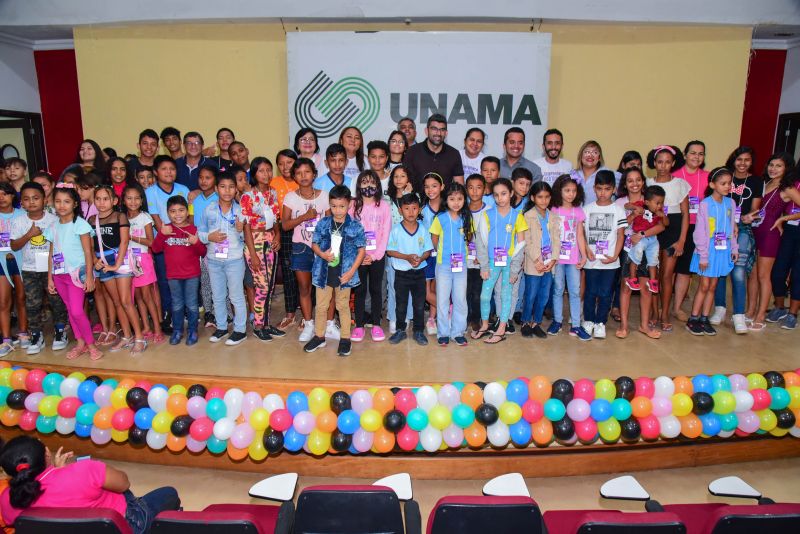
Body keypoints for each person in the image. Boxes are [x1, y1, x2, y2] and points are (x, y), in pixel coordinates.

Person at [0, 435, 180, 534]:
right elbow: (124, 483)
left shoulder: (6, 499)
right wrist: (67, 471)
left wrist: (58, 472)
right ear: (47, 453)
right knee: (169, 493)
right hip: (128, 525)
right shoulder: (83, 470)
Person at [304, 185, 366, 356]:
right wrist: (322, 255)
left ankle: (345, 339)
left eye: (342, 206)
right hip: (323, 273)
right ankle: (319, 336)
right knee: (321, 306)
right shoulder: (323, 223)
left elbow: (362, 250)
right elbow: (314, 243)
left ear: (349, 205)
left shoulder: (355, 226)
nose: (338, 210)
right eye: (333, 206)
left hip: (344, 274)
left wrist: (351, 271)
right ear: (329, 204)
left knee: (343, 306)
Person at [11, 183, 69, 354]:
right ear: (21, 202)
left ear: (44, 200)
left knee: (56, 301)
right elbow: (14, 245)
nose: (32, 202)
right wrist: (29, 234)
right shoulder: (19, 221)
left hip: (52, 269)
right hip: (29, 269)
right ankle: (36, 335)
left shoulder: (53, 219)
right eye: (27, 199)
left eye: (36, 198)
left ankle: (60, 332)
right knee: (32, 304)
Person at [45, 184, 101, 360]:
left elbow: (87, 252)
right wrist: (50, 279)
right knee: (70, 310)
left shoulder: (80, 224)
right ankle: (80, 342)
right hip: (59, 275)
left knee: (77, 311)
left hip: (77, 274)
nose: (62, 205)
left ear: (75, 204)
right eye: (58, 201)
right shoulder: (53, 226)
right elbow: (51, 253)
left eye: (67, 201)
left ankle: (91, 344)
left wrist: (90, 276)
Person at [89, 186, 147, 355]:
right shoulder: (92, 220)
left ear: (114, 201)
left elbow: (123, 242)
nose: (101, 203)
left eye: (105, 199)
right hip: (102, 263)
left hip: (119, 261)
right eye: (98, 199)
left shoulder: (119, 216)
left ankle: (139, 337)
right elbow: (90, 245)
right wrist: (94, 261)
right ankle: (126, 336)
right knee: (116, 302)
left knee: (126, 301)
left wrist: (117, 264)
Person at [473, 178, 527, 344]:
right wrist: (484, 266)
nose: (500, 198)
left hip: (510, 263)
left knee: (506, 295)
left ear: (511, 193)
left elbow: (521, 244)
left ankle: (501, 328)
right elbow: (481, 241)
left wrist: (514, 270)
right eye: (496, 195)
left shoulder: (518, 217)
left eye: (503, 194)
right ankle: (484, 325)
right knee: (485, 295)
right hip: (491, 262)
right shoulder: (487, 215)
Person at [713, 146, 762, 332]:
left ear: (751, 162)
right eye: (739, 159)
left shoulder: (756, 181)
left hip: (742, 229)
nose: (742, 163)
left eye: (747, 160)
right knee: (719, 270)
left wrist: (744, 219)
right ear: (733, 160)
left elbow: (754, 209)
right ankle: (719, 309)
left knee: (739, 272)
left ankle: (739, 315)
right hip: (720, 230)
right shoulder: (724, 176)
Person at [282, 158, 331, 342]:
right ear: (294, 176)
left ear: (314, 174)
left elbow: (329, 223)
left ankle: (327, 323)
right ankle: (309, 324)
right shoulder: (290, 198)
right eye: (299, 173)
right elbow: (285, 225)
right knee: (304, 288)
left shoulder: (324, 196)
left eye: (307, 172)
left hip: (321, 248)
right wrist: (304, 217)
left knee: (325, 287)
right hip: (300, 247)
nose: (303, 176)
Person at [197, 169, 247, 346]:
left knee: (236, 296)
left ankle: (240, 330)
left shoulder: (241, 211)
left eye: (231, 187)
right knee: (217, 296)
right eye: (223, 187)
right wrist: (209, 237)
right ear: (216, 189)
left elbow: (244, 239)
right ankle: (222, 327)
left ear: (236, 190)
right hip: (213, 260)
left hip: (234, 259)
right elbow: (200, 233)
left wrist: (241, 230)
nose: (227, 191)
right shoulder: (209, 210)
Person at [687, 167, 739, 336]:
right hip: (707, 251)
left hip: (722, 251)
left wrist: (734, 247)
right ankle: (693, 318)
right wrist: (703, 255)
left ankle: (704, 318)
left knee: (713, 286)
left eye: (729, 183)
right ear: (712, 184)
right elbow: (700, 231)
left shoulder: (730, 203)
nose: (727, 186)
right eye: (723, 183)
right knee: (704, 285)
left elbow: (732, 228)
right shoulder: (705, 204)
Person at [151, 195, 207, 345]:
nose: (177, 214)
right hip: (173, 275)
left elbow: (203, 252)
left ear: (187, 212)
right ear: (168, 213)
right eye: (173, 211)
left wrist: (196, 243)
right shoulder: (166, 229)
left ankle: (193, 330)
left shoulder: (193, 229)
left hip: (192, 275)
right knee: (176, 304)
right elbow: (155, 249)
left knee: (192, 304)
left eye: (181, 210)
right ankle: (177, 330)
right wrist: (162, 234)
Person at [753, 152, 800, 329]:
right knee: (755, 276)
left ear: (786, 168)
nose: (773, 169)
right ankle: (755, 310)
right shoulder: (765, 183)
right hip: (757, 231)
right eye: (771, 165)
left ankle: (760, 316)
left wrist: (783, 219)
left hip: (770, 236)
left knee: (764, 277)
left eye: (778, 166)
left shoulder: (787, 188)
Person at [241, 157, 284, 342]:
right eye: (261, 170)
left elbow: (275, 220)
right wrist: (253, 254)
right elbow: (246, 227)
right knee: (262, 286)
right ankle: (258, 325)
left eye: (268, 170)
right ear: (254, 173)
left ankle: (266, 323)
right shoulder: (248, 196)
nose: (266, 174)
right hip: (255, 241)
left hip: (269, 239)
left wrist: (278, 237)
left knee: (270, 285)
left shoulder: (272, 193)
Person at [646, 145, 689, 332]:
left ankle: (664, 314)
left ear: (673, 163)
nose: (663, 166)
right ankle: (655, 312)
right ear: (654, 163)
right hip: (653, 228)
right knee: (653, 275)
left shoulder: (680, 184)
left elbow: (686, 215)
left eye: (667, 162)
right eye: (660, 162)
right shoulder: (647, 183)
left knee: (666, 275)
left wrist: (682, 240)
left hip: (673, 229)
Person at [581, 170, 628, 339]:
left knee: (606, 293)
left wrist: (615, 256)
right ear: (594, 189)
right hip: (592, 261)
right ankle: (589, 321)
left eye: (607, 189)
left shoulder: (618, 210)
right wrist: (586, 250)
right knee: (591, 292)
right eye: (599, 188)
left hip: (610, 262)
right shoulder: (586, 210)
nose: (603, 193)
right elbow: (582, 235)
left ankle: (600, 322)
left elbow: (621, 235)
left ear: (614, 189)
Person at [615, 168, 661, 339]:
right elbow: (619, 226)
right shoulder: (620, 203)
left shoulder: (652, 201)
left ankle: (644, 326)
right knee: (626, 286)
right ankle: (624, 325)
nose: (634, 184)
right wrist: (634, 215)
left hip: (648, 247)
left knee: (646, 287)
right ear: (625, 184)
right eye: (630, 180)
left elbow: (661, 225)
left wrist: (641, 235)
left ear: (643, 182)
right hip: (628, 249)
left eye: (638, 180)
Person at [146, 155, 190, 333]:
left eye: (172, 168)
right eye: (164, 169)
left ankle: (185, 312)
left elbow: (190, 215)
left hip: (184, 243)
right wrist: (168, 238)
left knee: (186, 279)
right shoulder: (150, 192)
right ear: (156, 172)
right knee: (165, 281)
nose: (169, 172)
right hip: (164, 244)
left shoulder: (183, 189)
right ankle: (168, 314)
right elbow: (157, 220)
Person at [350, 171, 391, 343]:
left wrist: (374, 255)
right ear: (359, 185)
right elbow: (350, 232)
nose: (368, 186)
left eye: (372, 182)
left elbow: (385, 232)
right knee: (359, 291)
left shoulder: (384, 206)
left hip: (377, 256)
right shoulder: (353, 206)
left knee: (376, 290)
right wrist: (361, 254)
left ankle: (376, 324)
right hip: (358, 256)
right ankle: (359, 325)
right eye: (364, 182)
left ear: (378, 185)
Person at [429, 182, 472, 346]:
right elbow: (434, 239)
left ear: (464, 200)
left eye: (460, 199)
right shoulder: (440, 218)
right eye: (452, 199)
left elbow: (469, 238)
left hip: (461, 266)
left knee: (460, 299)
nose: (456, 202)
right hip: (444, 266)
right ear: (446, 200)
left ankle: (458, 332)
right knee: (442, 300)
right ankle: (443, 333)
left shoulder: (466, 218)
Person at [387, 193, 432, 346]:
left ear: (419, 210)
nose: (411, 212)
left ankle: (418, 331)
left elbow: (428, 250)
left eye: (414, 208)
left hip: (419, 273)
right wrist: (406, 257)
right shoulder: (396, 230)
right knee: (401, 303)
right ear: (400, 211)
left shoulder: (423, 230)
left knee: (419, 304)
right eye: (407, 208)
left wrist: (421, 258)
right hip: (401, 274)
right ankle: (400, 330)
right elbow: (390, 251)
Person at [672, 141, 710, 322]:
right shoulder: (674, 176)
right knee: (668, 268)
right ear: (685, 155)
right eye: (693, 153)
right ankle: (662, 304)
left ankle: (677, 307)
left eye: (700, 153)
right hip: (675, 225)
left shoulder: (709, 178)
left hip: (698, 227)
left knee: (685, 269)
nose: (696, 156)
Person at [548, 175, 590, 340]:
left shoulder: (578, 211)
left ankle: (576, 325)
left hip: (573, 259)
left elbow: (580, 235)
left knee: (574, 291)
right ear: (559, 191)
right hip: (557, 259)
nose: (571, 194)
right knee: (558, 290)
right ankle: (557, 321)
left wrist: (584, 255)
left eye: (573, 190)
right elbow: (550, 235)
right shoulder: (554, 210)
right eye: (567, 190)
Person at [123, 184, 165, 345]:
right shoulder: (122, 218)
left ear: (142, 200)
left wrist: (131, 237)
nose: (133, 202)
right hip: (127, 261)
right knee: (138, 296)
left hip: (143, 260)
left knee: (147, 296)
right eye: (129, 198)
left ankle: (157, 328)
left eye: (136, 198)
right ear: (123, 200)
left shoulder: (145, 217)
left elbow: (150, 241)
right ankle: (146, 327)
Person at [520, 182, 558, 339]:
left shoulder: (553, 217)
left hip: (549, 263)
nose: (544, 200)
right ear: (533, 197)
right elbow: (526, 241)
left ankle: (536, 322)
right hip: (534, 263)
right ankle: (525, 322)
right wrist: (537, 260)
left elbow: (557, 240)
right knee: (531, 294)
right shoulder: (527, 216)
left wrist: (554, 259)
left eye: (547, 197)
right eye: (540, 197)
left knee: (544, 295)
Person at [188, 164, 221, 328]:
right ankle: (209, 312)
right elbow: (191, 220)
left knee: (219, 282)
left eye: (208, 178)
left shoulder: (220, 197)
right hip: (199, 246)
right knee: (204, 281)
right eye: (201, 177)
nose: (203, 181)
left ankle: (220, 311)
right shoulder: (194, 199)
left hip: (217, 246)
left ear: (215, 180)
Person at [385, 165, 415, 333]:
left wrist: (406, 195)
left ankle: (407, 315)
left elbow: (414, 218)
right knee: (393, 284)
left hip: (410, 249)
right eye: (395, 176)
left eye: (403, 176)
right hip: (393, 249)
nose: (398, 179)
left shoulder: (413, 197)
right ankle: (394, 316)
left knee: (409, 284)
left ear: (408, 179)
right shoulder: (386, 199)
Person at [272, 149, 300, 330]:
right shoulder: (273, 184)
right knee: (289, 273)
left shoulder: (303, 181)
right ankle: (290, 314)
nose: (285, 167)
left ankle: (308, 314)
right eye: (281, 164)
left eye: (289, 163)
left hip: (305, 230)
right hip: (285, 231)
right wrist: (278, 234)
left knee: (308, 273)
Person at [769, 166, 800, 330]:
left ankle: (792, 314)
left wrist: (785, 218)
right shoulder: (791, 182)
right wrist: (782, 220)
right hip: (789, 230)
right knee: (778, 271)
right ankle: (779, 307)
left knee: (798, 275)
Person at [403, 114, 464, 189]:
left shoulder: (454, 154)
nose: (438, 133)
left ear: (446, 133)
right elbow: (404, 183)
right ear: (426, 131)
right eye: (434, 129)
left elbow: (460, 187)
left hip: (445, 200)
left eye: (442, 129)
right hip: (417, 200)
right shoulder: (412, 152)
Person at [625, 185, 667, 293]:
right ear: (647, 202)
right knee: (636, 255)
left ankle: (653, 281)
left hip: (652, 238)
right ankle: (632, 278)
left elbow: (666, 224)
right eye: (657, 203)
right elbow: (627, 205)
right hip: (639, 236)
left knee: (653, 258)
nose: (660, 205)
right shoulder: (640, 205)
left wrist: (663, 216)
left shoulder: (660, 211)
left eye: (661, 203)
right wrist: (635, 208)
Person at [0, 182, 25, 357]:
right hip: (1, 262)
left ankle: (23, 333)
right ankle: (7, 339)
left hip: (22, 260)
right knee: (3, 301)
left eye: (5, 194)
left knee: (22, 298)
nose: (2, 197)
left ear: (12, 196)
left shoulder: (23, 214)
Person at [466, 174, 490, 329]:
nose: (474, 191)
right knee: (464, 292)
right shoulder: (461, 209)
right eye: (470, 187)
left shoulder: (489, 211)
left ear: (485, 189)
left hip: (480, 261)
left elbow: (491, 237)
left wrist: (482, 257)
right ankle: (465, 318)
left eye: (478, 187)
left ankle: (475, 319)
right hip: (463, 260)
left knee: (478, 293)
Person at [421, 173, 444, 334]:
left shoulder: (449, 207)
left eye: (434, 186)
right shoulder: (422, 210)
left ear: (442, 187)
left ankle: (432, 319)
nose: (430, 189)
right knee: (425, 291)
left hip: (444, 257)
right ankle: (450, 311)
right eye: (427, 186)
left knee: (437, 289)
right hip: (427, 255)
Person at [571, 140, 610, 205]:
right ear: (581, 156)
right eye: (587, 152)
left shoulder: (607, 173)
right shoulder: (573, 174)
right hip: (576, 214)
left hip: (598, 214)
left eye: (595, 152)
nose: (590, 155)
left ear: (599, 157)